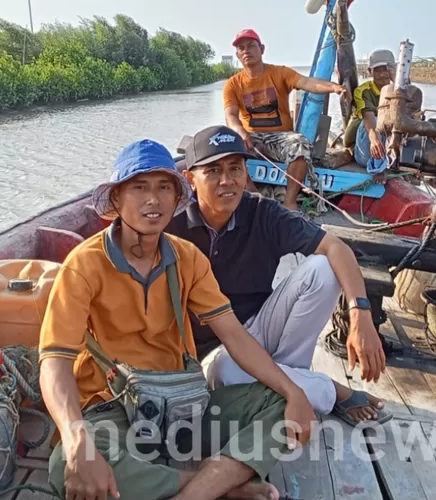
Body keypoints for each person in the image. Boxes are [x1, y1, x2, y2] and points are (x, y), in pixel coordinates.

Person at [39, 139, 317, 500]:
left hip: (182, 406)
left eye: (164, 188)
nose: (152, 200)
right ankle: (220, 485)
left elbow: (234, 335)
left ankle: (195, 488)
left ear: (176, 199)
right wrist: (76, 438)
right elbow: (54, 361)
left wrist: (293, 391)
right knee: (66, 465)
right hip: (113, 409)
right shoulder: (84, 265)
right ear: (117, 200)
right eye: (139, 188)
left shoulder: (187, 258)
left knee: (280, 406)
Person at [166, 125, 392, 429]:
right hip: (209, 349)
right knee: (226, 371)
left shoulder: (261, 212)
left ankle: (287, 383)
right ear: (191, 179)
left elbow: (336, 248)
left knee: (323, 268)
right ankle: (327, 391)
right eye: (213, 170)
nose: (227, 180)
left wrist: (360, 316)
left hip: (258, 327)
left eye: (235, 168)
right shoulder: (172, 225)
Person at [223, 29, 349, 214]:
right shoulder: (233, 84)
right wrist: (240, 133)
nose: (246, 51)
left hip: (280, 136)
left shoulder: (279, 73)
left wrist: (333, 88)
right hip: (252, 137)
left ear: (262, 49)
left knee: (300, 144)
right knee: (227, 144)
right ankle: (252, 194)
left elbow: (307, 83)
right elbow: (231, 116)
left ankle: (290, 202)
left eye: (251, 46)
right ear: (237, 55)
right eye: (241, 48)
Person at [351, 48, 396, 184]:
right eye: (378, 70)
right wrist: (374, 140)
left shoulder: (399, 90)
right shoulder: (364, 91)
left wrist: (397, 83)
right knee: (379, 122)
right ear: (370, 72)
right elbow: (368, 118)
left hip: (390, 144)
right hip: (367, 145)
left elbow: (410, 113)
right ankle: (378, 168)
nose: (382, 75)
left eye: (386, 69)